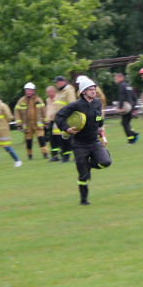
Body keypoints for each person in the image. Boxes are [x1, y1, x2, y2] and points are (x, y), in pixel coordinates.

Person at [54, 76, 111, 206]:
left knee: (106, 162)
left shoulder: (97, 103)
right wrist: (66, 129)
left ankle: (89, 165)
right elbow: (58, 116)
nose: (93, 91)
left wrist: (101, 127)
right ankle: (84, 200)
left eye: (94, 89)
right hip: (79, 144)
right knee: (83, 175)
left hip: (94, 141)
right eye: (90, 89)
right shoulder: (75, 105)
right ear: (83, 92)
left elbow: (98, 118)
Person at [14, 82, 48, 160]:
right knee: (28, 141)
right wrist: (19, 124)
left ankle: (45, 153)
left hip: (37, 125)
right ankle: (30, 155)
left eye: (30, 90)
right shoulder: (21, 101)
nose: (28, 92)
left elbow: (44, 111)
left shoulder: (38, 100)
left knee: (41, 139)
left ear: (33, 91)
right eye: (27, 90)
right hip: (27, 125)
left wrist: (46, 122)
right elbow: (17, 112)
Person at [50, 75, 77, 162]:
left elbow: (72, 105)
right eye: (56, 83)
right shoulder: (59, 92)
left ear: (64, 82)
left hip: (67, 118)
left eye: (58, 82)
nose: (56, 84)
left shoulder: (68, 91)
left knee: (72, 139)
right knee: (62, 139)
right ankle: (65, 157)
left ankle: (77, 156)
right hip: (59, 119)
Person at [114, 72, 139, 144]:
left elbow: (122, 98)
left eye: (116, 79)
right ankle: (134, 135)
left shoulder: (121, 85)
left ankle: (131, 139)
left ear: (120, 78)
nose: (115, 80)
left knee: (125, 123)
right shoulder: (128, 85)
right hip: (130, 107)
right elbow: (134, 98)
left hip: (125, 108)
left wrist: (120, 108)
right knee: (126, 123)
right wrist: (134, 108)